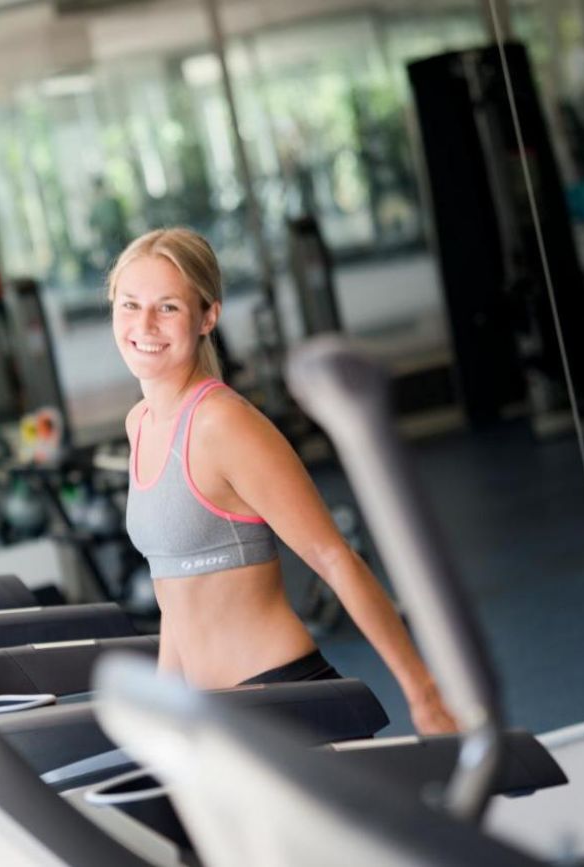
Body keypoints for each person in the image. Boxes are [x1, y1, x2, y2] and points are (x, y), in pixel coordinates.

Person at [109, 227, 457, 734]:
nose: (144, 324)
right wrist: (167, 713)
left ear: (207, 317)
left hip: (279, 698)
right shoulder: (139, 423)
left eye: (167, 307)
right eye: (129, 304)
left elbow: (334, 558)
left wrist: (423, 694)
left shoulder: (222, 423)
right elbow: (176, 600)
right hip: (213, 715)